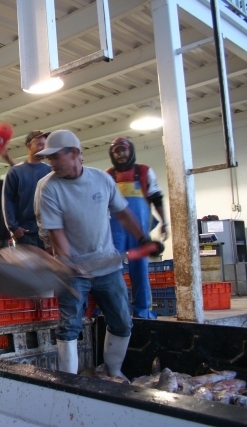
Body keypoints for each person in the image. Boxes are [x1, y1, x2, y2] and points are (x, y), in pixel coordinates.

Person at [35, 130, 161, 378]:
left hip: (107, 266)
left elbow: (123, 213)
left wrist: (143, 238)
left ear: (74, 153)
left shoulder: (102, 180)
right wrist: (69, 263)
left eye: (55, 157)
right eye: (48, 158)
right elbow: (55, 231)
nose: (51, 163)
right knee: (69, 326)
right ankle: (69, 381)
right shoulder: (48, 187)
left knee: (123, 321)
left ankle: (113, 371)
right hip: (71, 270)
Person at [106, 137, 169, 319]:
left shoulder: (144, 172)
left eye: (124, 150)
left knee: (140, 269)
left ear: (131, 151)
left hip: (139, 233)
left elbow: (157, 198)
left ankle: (142, 310)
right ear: (112, 154)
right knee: (111, 271)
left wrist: (164, 223)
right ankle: (114, 309)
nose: (121, 154)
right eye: (116, 151)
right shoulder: (107, 176)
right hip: (114, 233)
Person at [3, 130, 51, 249]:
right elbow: (8, 201)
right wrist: (13, 227)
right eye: (39, 144)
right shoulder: (15, 172)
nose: (43, 147)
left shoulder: (51, 171)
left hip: (49, 233)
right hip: (26, 233)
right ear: (29, 145)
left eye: (45, 145)